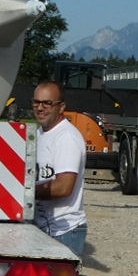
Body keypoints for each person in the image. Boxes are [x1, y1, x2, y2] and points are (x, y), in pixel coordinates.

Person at [32, 80, 88, 257]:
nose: (40, 108)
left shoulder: (66, 138)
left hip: (63, 232)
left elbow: (64, 187)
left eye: (47, 103)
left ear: (61, 107)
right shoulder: (40, 133)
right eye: (36, 102)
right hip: (43, 228)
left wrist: (25, 192)